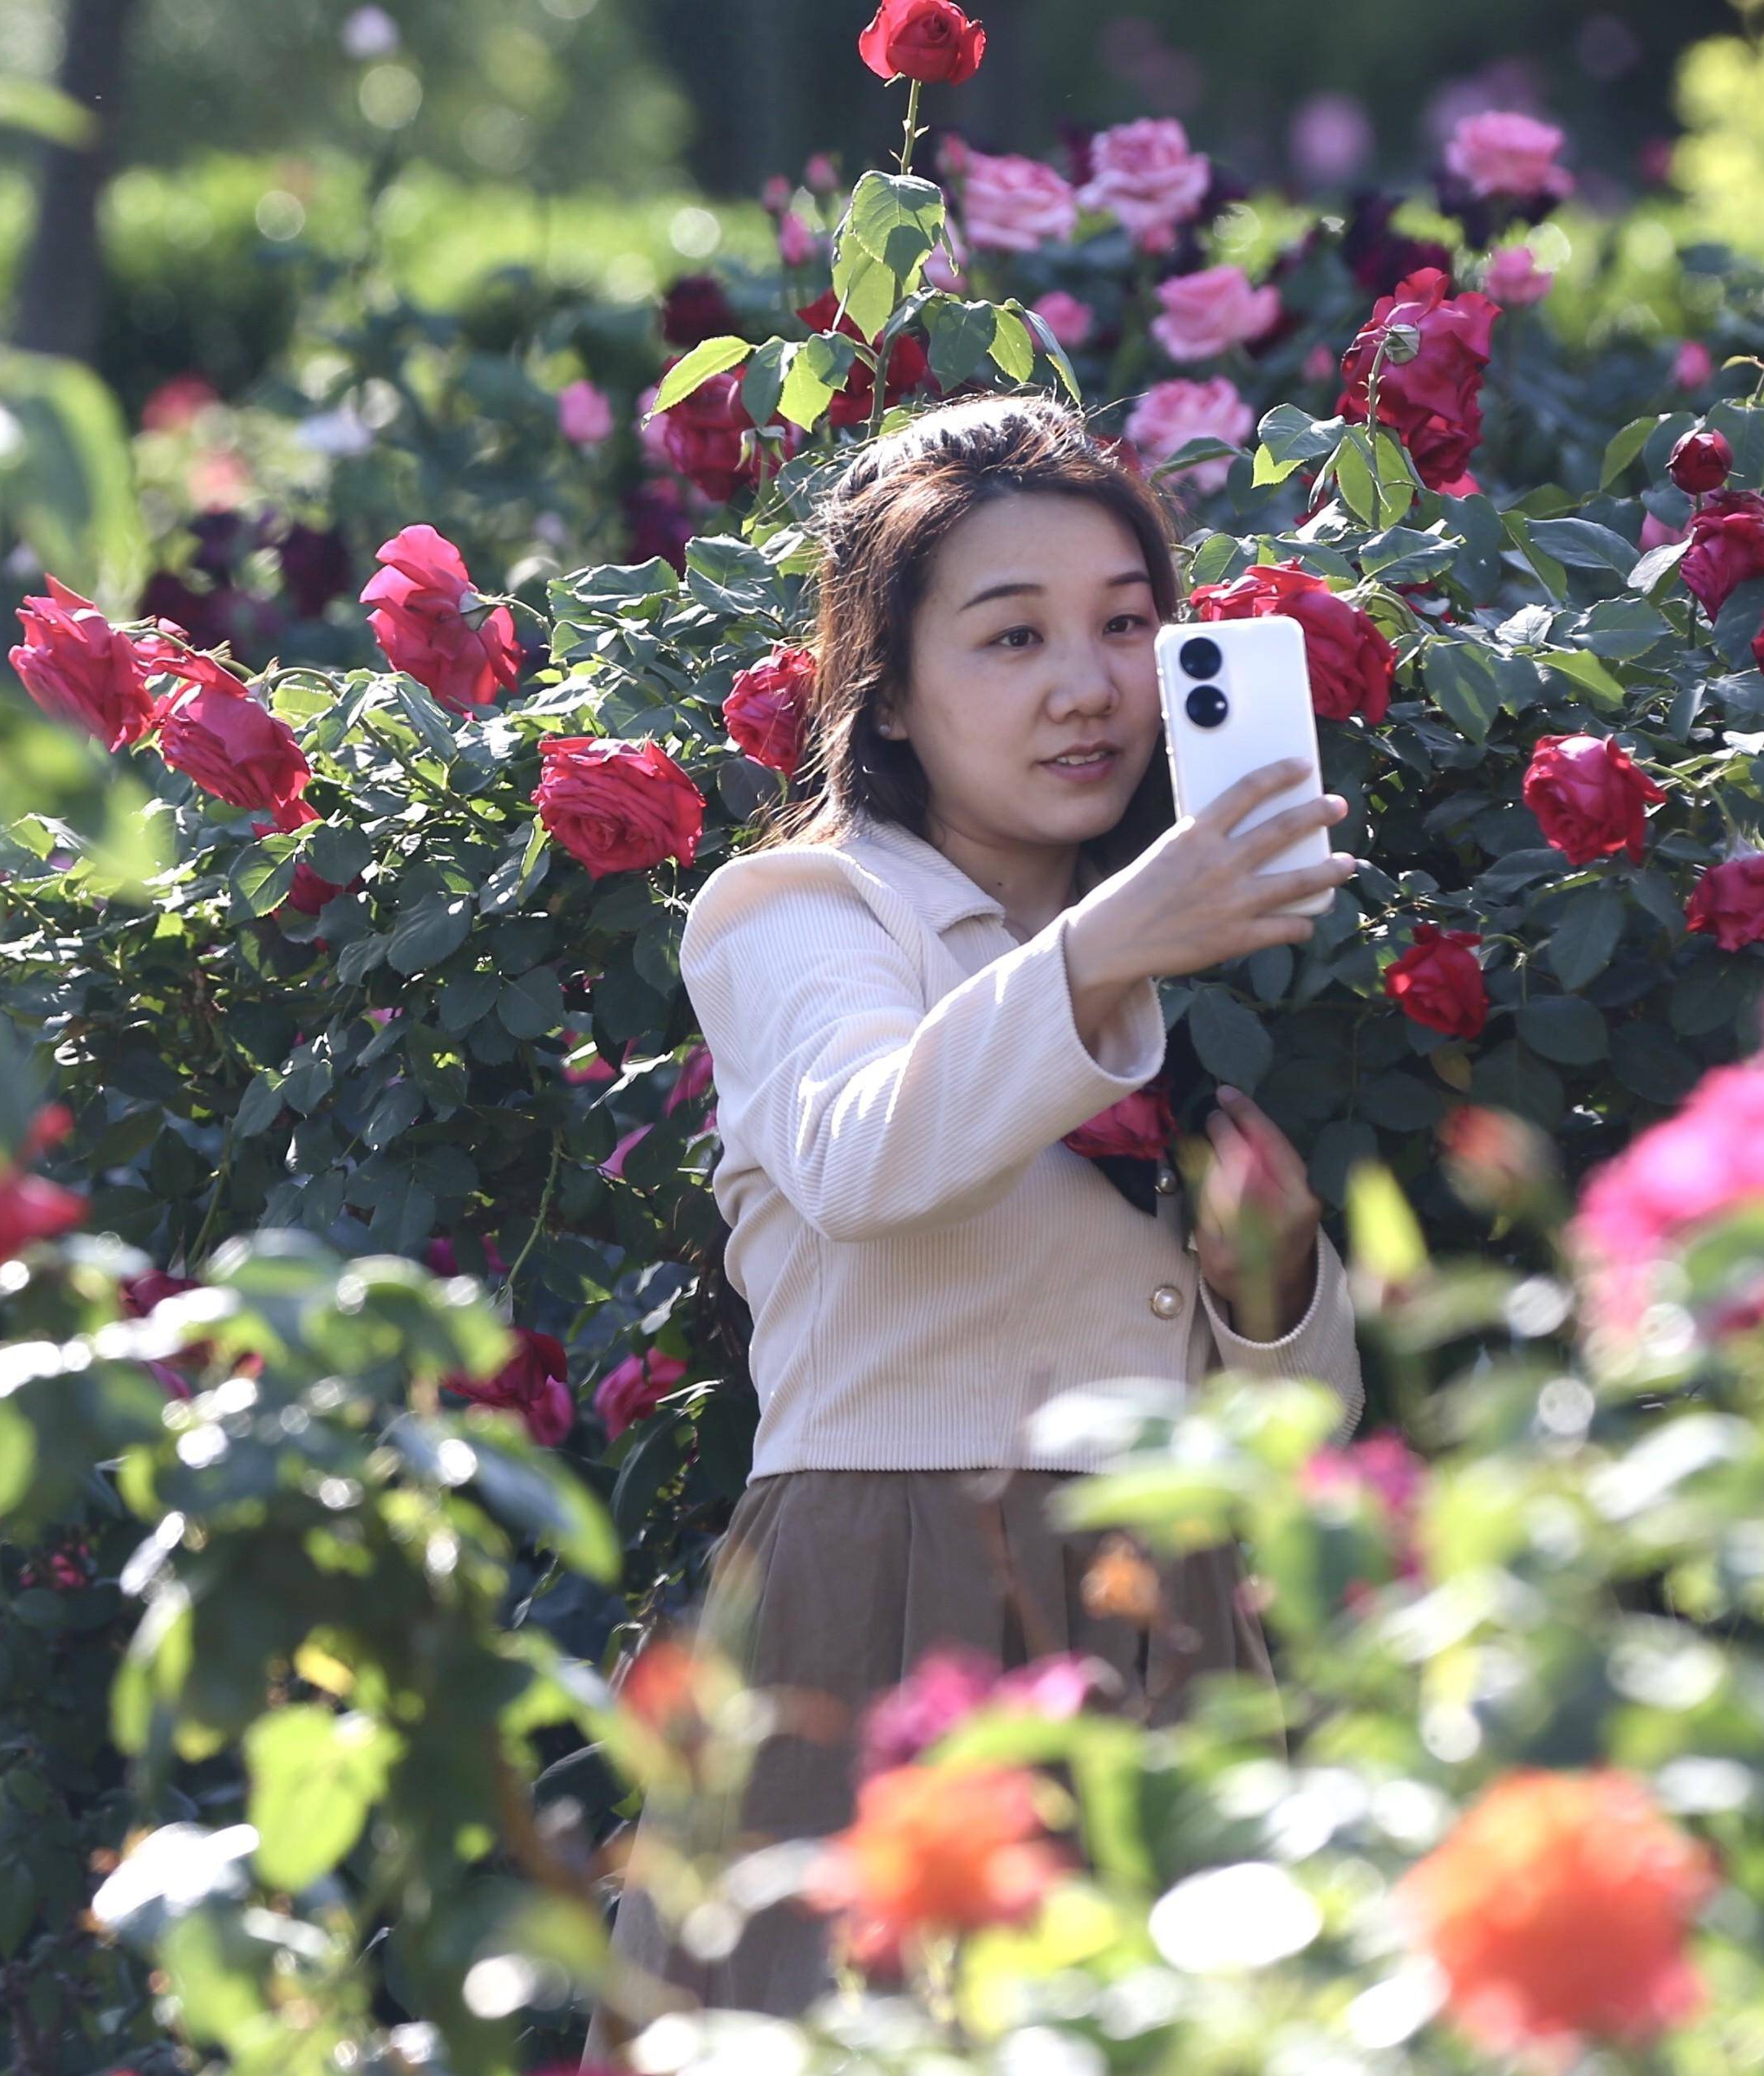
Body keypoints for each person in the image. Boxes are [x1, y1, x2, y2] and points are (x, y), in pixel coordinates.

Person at [586, 393, 1367, 2042]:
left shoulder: (1179, 926)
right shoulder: (802, 910)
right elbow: (865, 1152)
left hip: (1158, 1618)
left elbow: (1280, 1438)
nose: (1085, 687)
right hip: (884, 1602)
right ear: (891, 691)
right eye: (1009, 639)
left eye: (1124, 628)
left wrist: (1273, 1288)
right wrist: (1107, 954)